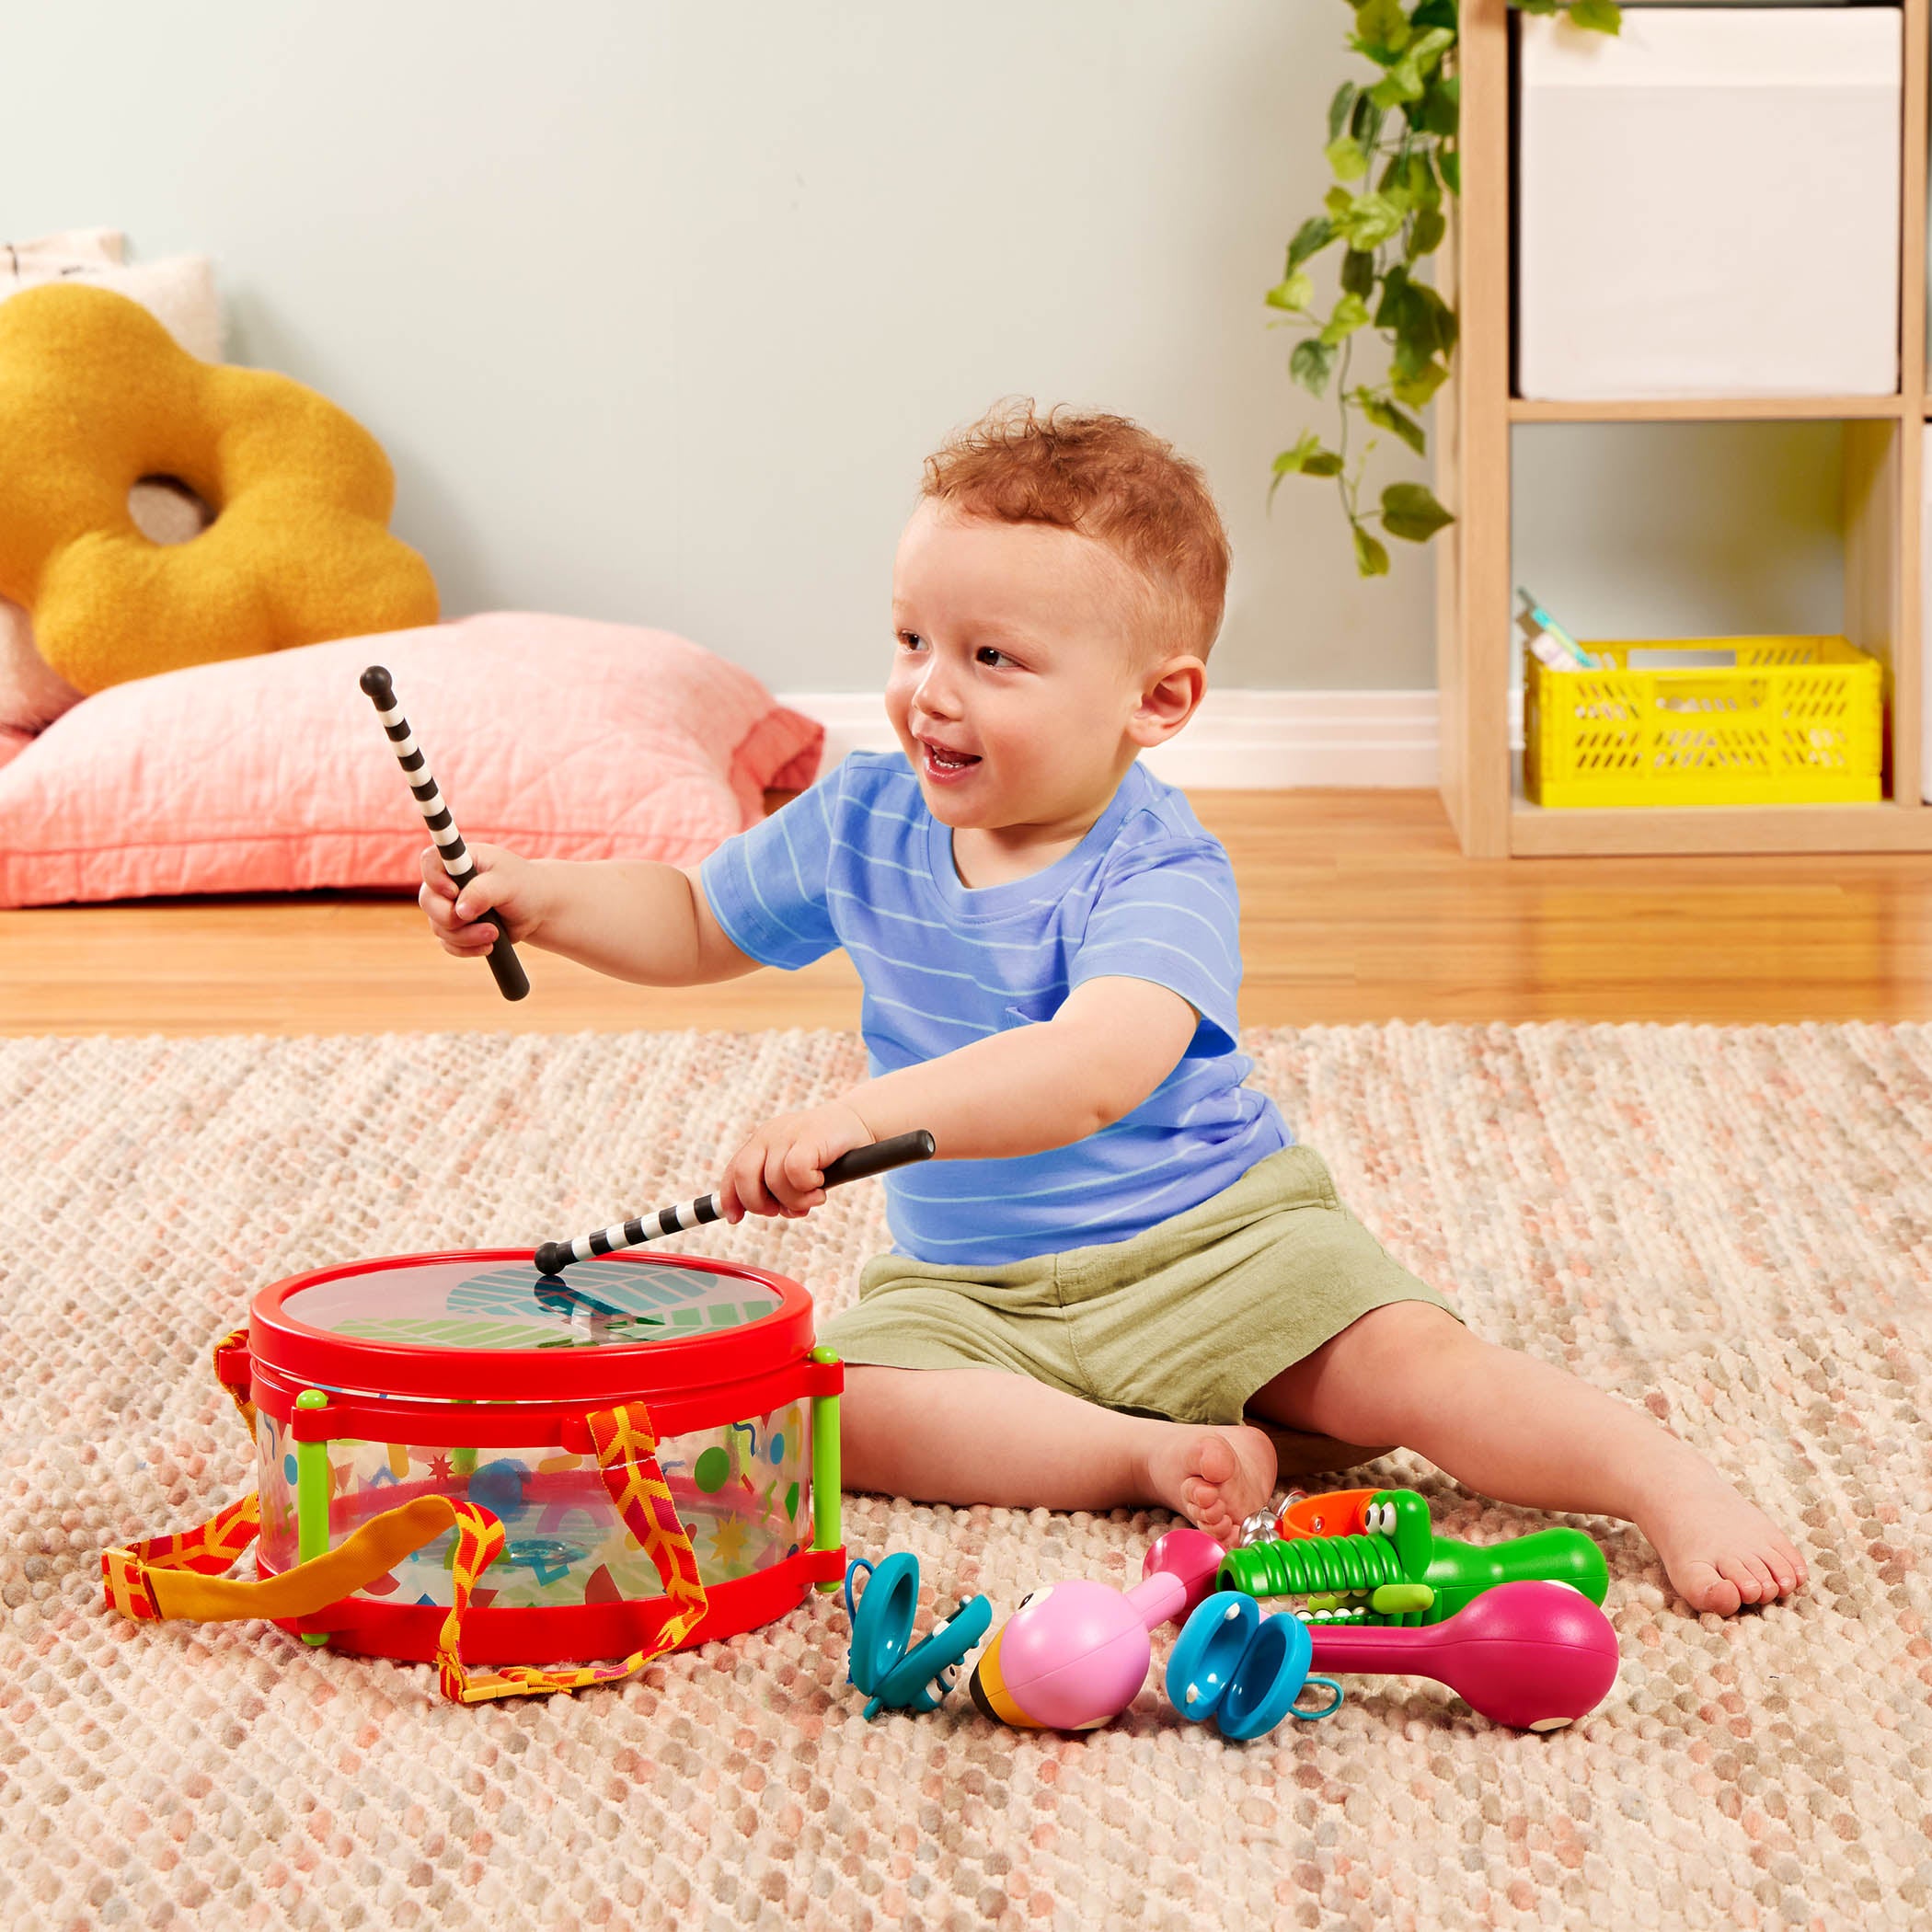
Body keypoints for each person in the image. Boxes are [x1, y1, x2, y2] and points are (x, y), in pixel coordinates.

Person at [420, 400, 1804, 1616]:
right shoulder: (860, 817)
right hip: (973, 1292)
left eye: (992, 659)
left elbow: (1092, 1070)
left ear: (1159, 700)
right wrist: (539, 897)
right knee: (833, 1407)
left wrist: (858, 1116)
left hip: (1214, 1249)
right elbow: (695, 920)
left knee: (1416, 1372)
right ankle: (1143, 1460)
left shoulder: (1161, 869)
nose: (927, 692)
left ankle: (1662, 1483)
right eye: (912, 639)